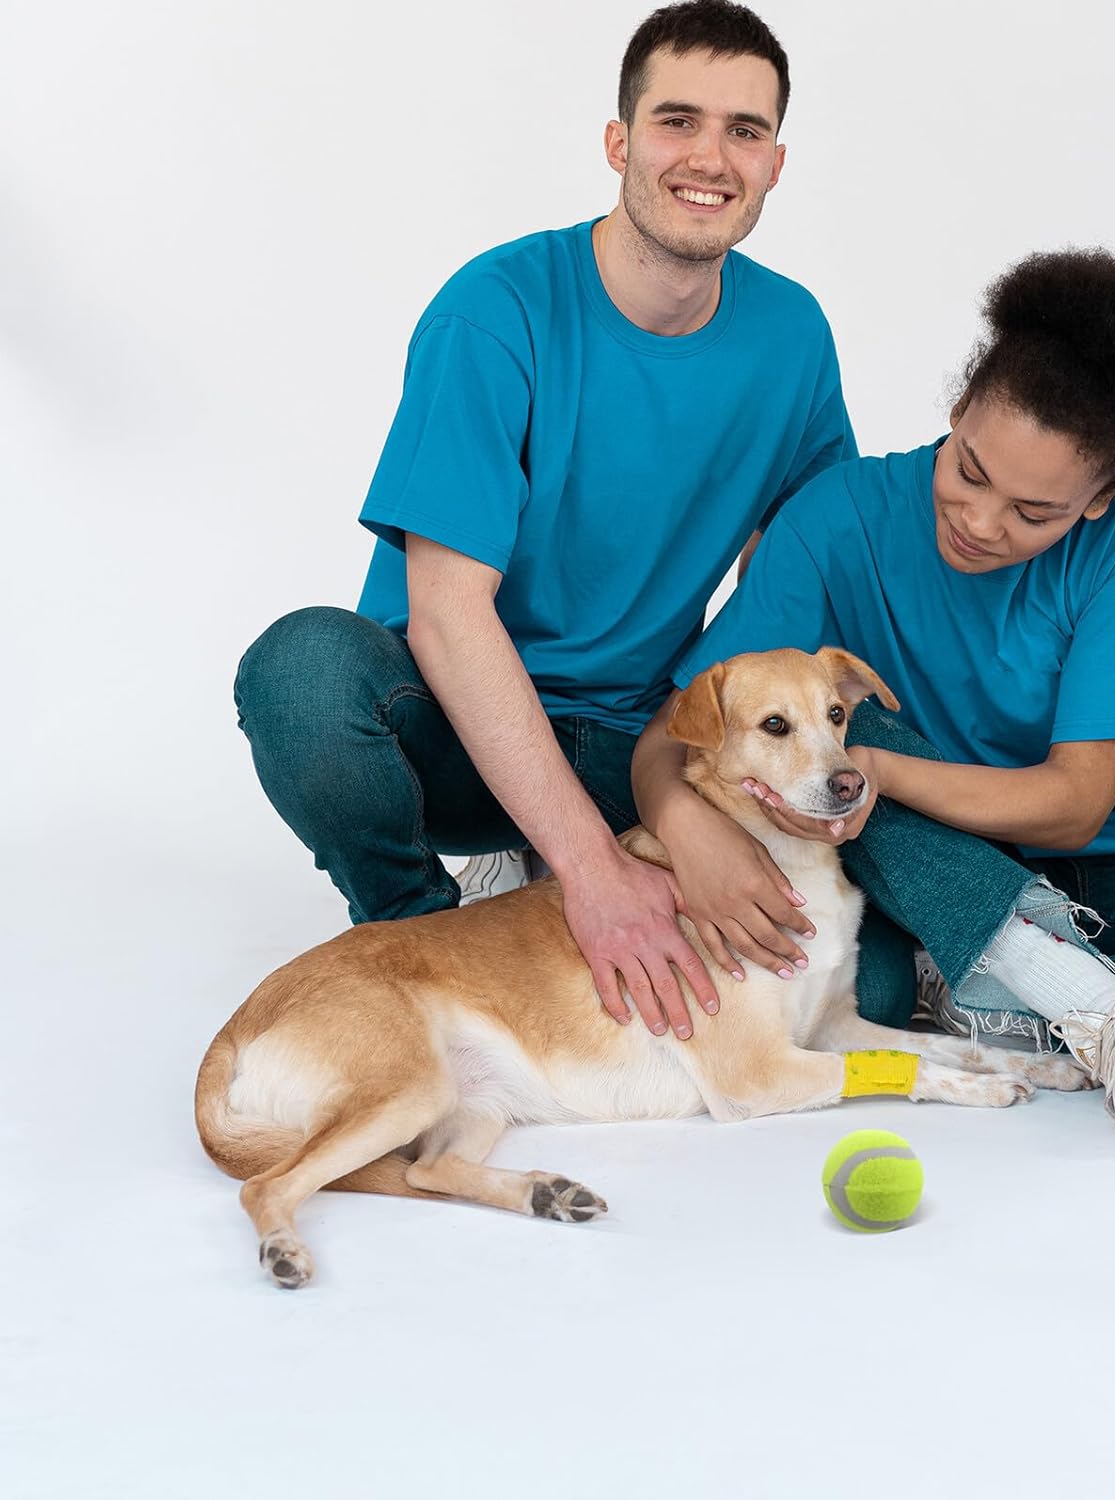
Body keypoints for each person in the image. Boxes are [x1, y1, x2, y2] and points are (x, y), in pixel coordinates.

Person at [631, 248, 1115, 1146]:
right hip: (921, 861)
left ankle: (1025, 988)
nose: (981, 522)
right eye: (970, 471)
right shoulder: (836, 517)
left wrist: (878, 769)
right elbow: (685, 730)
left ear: (1101, 498)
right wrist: (689, 832)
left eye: (1034, 513)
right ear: (957, 412)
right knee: (845, 792)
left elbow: (1074, 807)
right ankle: (1085, 1009)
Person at [233, 1, 852, 1043]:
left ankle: (997, 957)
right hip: (451, 730)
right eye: (678, 121)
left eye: (744, 131)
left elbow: (796, 582)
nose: (711, 158)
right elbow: (445, 617)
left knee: (873, 734)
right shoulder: (496, 310)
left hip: (637, 737)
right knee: (300, 672)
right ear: (619, 142)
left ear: (775, 164)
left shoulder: (791, 334)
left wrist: (691, 797)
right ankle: (424, 934)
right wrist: (595, 871)